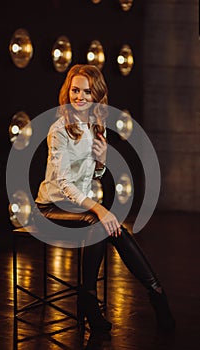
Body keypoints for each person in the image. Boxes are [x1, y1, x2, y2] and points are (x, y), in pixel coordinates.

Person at [34, 64, 175, 334]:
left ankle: (147, 292)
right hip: (50, 207)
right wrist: (100, 209)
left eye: (87, 91)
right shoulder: (60, 129)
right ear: (68, 91)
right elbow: (64, 185)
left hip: (78, 206)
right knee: (101, 223)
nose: (80, 96)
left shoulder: (97, 124)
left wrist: (101, 161)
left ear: (97, 96)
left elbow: (92, 175)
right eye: (75, 90)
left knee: (106, 226)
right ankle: (141, 294)